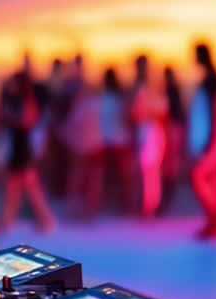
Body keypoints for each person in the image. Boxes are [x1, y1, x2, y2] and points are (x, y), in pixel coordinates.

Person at [0, 70, 56, 232]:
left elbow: (28, 120)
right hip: (18, 149)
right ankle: (11, 221)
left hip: (23, 150)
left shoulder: (26, 101)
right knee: (19, 190)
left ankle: (43, 221)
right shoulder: (15, 101)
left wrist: (10, 117)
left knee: (28, 190)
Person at [188, 44, 216, 238]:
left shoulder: (212, 81)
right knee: (212, 177)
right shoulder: (211, 79)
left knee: (199, 176)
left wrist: (210, 138)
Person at [61, 67, 105, 219]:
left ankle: (76, 210)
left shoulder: (81, 105)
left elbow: (70, 126)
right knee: (90, 179)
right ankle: (89, 210)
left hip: (83, 148)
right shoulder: (96, 103)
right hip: (94, 146)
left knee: (79, 178)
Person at [130, 54, 168, 218]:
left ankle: (149, 207)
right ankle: (147, 206)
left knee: (150, 172)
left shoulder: (149, 88)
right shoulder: (145, 87)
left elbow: (160, 111)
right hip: (146, 131)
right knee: (147, 171)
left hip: (151, 132)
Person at [98, 67, 134, 214]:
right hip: (118, 141)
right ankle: (124, 206)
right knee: (122, 176)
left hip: (111, 141)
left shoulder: (105, 98)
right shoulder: (120, 98)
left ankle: (123, 206)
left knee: (117, 176)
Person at [160, 66, 186, 215]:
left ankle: (168, 198)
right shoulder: (170, 91)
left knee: (171, 167)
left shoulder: (171, 91)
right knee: (170, 167)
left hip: (172, 130)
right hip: (172, 130)